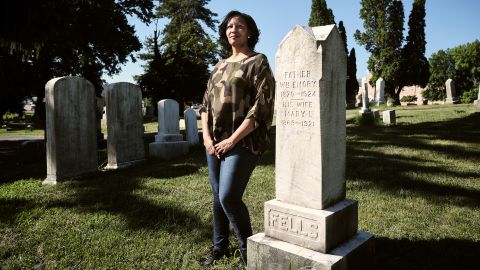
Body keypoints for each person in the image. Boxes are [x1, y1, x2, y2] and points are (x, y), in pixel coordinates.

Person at [199, 10, 275, 267]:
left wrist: (232, 140)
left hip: (244, 141)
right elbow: (205, 107)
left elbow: (261, 108)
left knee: (228, 195)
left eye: (239, 26)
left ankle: (248, 250)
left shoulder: (258, 62)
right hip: (215, 143)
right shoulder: (218, 66)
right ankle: (219, 247)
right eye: (229, 26)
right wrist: (207, 140)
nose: (233, 29)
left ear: (250, 32)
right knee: (217, 196)